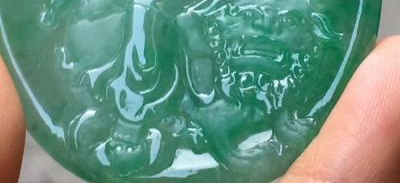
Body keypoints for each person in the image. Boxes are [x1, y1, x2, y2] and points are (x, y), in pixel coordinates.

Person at [2, 35, 400, 183]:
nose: (122, 141)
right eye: (129, 148)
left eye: (119, 145)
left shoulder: (110, 96)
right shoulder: (184, 121)